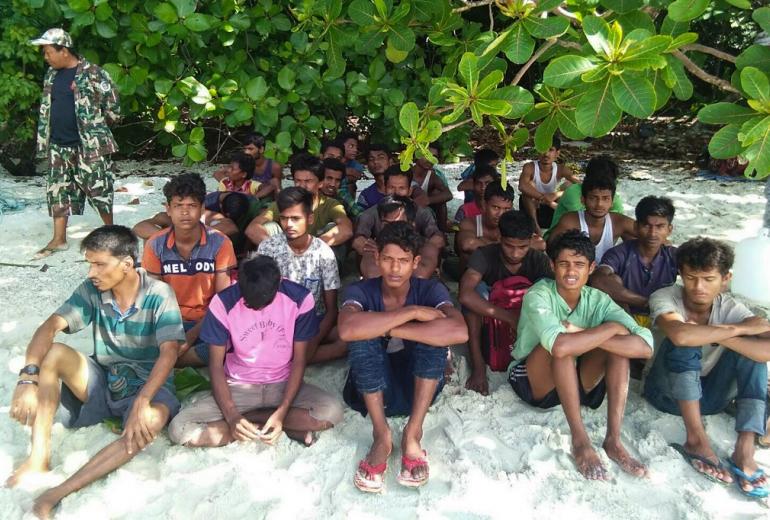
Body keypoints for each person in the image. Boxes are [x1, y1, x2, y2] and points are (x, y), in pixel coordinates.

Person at [7, 226, 185, 518]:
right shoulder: (92, 290)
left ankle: (56, 492)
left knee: (151, 421)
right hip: (105, 379)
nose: (92, 272)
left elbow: (169, 353)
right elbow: (49, 327)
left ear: (127, 264)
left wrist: (142, 401)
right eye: (90, 263)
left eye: (99, 264)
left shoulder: (159, 294)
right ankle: (38, 457)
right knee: (54, 353)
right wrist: (28, 378)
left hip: (150, 386)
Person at [510, 230, 653, 480]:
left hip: (577, 382)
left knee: (618, 351)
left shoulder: (598, 299)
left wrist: (589, 331)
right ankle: (580, 440)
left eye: (579, 264)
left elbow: (645, 347)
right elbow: (560, 348)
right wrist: (609, 329)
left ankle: (613, 440)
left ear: (592, 267)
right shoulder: (539, 294)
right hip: (534, 380)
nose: (571, 272)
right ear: (552, 265)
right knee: (561, 346)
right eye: (564, 264)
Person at [339, 222, 469, 492]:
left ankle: (413, 432)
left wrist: (387, 327)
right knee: (362, 339)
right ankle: (381, 435)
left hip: (418, 391)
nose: (395, 269)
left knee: (434, 338)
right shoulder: (360, 290)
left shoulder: (430, 290)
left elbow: (459, 331)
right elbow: (347, 329)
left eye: (403, 261)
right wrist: (412, 313)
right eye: (387, 259)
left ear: (416, 262)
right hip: (369, 392)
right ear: (377, 258)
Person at [168, 255, 344, 448]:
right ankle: (271, 425)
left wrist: (282, 411)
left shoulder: (300, 299)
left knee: (332, 412)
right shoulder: (223, 303)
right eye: (250, 302)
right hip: (237, 387)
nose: (258, 308)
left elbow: (300, 360)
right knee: (179, 428)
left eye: (264, 301)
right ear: (239, 283)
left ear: (279, 283)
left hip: (283, 384)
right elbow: (216, 365)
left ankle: (255, 421)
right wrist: (232, 415)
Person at [642, 238, 770, 496]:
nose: (698, 287)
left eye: (708, 279)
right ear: (681, 275)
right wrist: (741, 330)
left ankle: (744, 447)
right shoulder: (665, 296)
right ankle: (696, 440)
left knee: (752, 356)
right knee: (685, 341)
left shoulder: (730, 306)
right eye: (691, 277)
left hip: (712, 399)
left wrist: (719, 334)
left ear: (726, 278)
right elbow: (680, 336)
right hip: (666, 394)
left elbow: (765, 351)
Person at [29, 28, 120, 259]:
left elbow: (114, 110)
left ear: (64, 50)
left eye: (49, 52)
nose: (46, 57)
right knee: (58, 191)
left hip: (89, 146)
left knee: (99, 189)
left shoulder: (94, 74)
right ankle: (59, 239)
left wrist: (94, 128)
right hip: (59, 145)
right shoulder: (51, 74)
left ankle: (110, 235)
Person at [141, 173, 236, 367]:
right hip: (169, 321)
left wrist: (190, 337)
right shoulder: (155, 244)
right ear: (168, 209)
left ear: (202, 208)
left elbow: (222, 300)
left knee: (229, 343)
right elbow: (155, 299)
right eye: (178, 206)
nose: (185, 212)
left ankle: (169, 361)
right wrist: (173, 336)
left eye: (192, 206)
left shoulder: (220, 243)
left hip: (207, 320)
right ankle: (174, 358)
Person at [459, 211, 553, 395]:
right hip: (491, 317)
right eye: (509, 246)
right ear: (499, 238)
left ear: (531, 240)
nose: (516, 253)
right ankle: (478, 367)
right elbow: (465, 295)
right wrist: (509, 317)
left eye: (523, 247)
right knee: (475, 294)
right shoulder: (484, 255)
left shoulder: (538, 259)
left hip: (525, 317)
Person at [257, 187, 345, 363]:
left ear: (310, 219)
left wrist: (312, 343)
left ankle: (291, 357)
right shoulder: (268, 248)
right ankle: (293, 356)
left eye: (296, 219)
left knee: (346, 339)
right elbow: (259, 300)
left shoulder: (323, 253)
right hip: (276, 322)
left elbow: (331, 310)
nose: (289, 225)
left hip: (313, 322)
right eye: (284, 218)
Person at [591, 196, 678, 323]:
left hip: (662, 317)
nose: (652, 233)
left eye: (660, 227)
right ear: (636, 227)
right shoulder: (620, 253)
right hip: (624, 316)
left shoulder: (673, 255)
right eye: (646, 226)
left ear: (669, 230)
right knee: (612, 279)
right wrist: (645, 302)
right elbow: (598, 280)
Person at [245, 153, 353, 251]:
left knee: (333, 228)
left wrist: (310, 247)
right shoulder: (284, 203)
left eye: (308, 181)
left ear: (320, 183)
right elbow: (252, 228)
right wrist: (282, 250)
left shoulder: (331, 205)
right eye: (298, 181)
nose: (302, 186)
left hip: (317, 258)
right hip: (286, 258)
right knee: (269, 226)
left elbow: (346, 229)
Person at [354, 167, 446, 279]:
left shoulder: (422, 212)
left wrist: (416, 248)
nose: (396, 192)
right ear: (385, 188)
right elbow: (358, 241)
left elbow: (438, 239)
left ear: (409, 190)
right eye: (391, 187)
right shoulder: (370, 213)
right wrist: (377, 248)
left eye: (401, 188)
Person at [547, 167, 636, 263]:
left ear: (612, 202)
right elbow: (550, 248)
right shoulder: (570, 221)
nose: (599, 204)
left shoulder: (619, 222)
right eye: (593, 198)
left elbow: (649, 233)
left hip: (607, 272)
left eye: (605, 198)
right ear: (583, 200)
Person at [545, 155, 624, 238]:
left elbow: (618, 219)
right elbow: (585, 222)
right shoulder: (573, 191)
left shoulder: (613, 196)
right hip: (561, 240)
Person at [518, 137, 580, 235]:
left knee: (568, 185)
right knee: (529, 187)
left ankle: (563, 225)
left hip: (551, 209)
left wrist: (557, 194)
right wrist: (544, 198)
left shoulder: (561, 169)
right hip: (531, 208)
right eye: (543, 149)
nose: (546, 154)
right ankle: (536, 227)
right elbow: (522, 186)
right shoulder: (530, 167)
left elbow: (581, 185)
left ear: (557, 153)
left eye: (550, 150)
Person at [455, 182, 516, 264]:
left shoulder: (515, 223)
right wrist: (510, 248)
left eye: (506, 209)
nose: (501, 214)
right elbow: (467, 244)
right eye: (496, 207)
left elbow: (537, 243)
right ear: (484, 205)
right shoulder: (469, 223)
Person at [412, 143, 452, 232]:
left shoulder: (433, 176)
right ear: (417, 155)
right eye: (426, 155)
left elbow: (448, 194)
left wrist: (427, 200)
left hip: (424, 209)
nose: (430, 159)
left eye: (434, 157)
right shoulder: (406, 172)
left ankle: (441, 231)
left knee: (438, 195)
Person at [357, 143, 392, 210]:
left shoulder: (405, 187)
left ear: (390, 162)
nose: (375, 161)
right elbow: (361, 217)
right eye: (371, 159)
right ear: (367, 166)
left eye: (381, 157)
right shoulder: (365, 196)